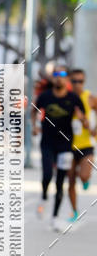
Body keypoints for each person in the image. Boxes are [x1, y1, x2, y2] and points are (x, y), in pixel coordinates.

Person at [32, 65, 88, 229]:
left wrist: (81, 118)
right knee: (47, 174)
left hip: (65, 144)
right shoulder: (45, 96)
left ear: (67, 78)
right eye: (55, 74)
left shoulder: (73, 98)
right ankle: (43, 196)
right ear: (52, 77)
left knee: (60, 181)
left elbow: (84, 121)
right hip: (47, 143)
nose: (58, 77)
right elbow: (34, 111)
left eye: (62, 74)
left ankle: (55, 216)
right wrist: (34, 126)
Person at [68, 68, 97, 221]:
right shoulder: (66, 98)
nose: (78, 84)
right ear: (70, 82)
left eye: (81, 81)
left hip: (86, 144)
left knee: (83, 175)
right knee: (70, 179)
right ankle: (74, 212)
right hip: (68, 145)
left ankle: (85, 180)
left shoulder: (90, 98)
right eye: (74, 81)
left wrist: (93, 128)